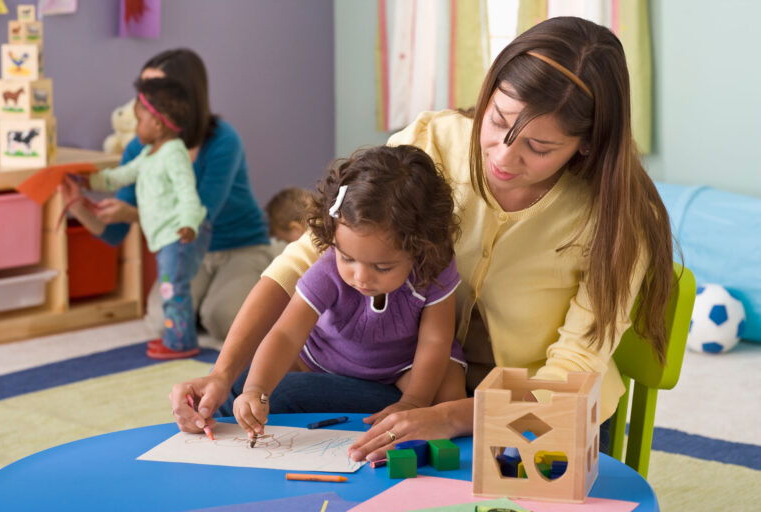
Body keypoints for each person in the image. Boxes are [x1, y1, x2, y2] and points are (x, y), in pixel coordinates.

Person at [169, 16, 675, 466]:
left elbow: (570, 374)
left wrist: (451, 417)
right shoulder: (435, 140)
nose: (503, 156)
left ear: (587, 143)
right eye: (496, 121)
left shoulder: (617, 217)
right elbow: (308, 257)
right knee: (244, 392)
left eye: (539, 148)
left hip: (538, 412)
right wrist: (222, 371)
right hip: (418, 387)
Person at [234, 145, 467, 439]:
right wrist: (256, 389)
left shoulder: (434, 266)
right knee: (246, 384)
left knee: (449, 389)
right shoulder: (328, 269)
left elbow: (436, 339)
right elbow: (286, 334)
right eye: (347, 258)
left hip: (404, 366)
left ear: (420, 248)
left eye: (382, 267)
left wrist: (413, 403)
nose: (360, 277)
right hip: (325, 359)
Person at [87, 48, 275, 343]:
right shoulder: (141, 148)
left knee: (225, 319)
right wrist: (75, 202)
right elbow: (114, 232)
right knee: (163, 324)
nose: (144, 101)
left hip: (239, 246)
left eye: (155, 91)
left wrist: (130, 214)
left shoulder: (223, 139)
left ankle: (264, 275)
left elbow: (199, 216)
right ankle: (205, 303)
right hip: (188, 254)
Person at [64, 77, 210, 359]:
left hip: (180, 233)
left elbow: (187, 192)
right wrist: (88, 181)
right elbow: (119, 176)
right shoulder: (148, 154)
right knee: (171, 287)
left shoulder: (174, 154)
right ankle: (175, 337)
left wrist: (189, 223)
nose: (134, 127)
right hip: (166, 235)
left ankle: (181, 342)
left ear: (157, 123)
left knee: (173, 288)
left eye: (138, 120)